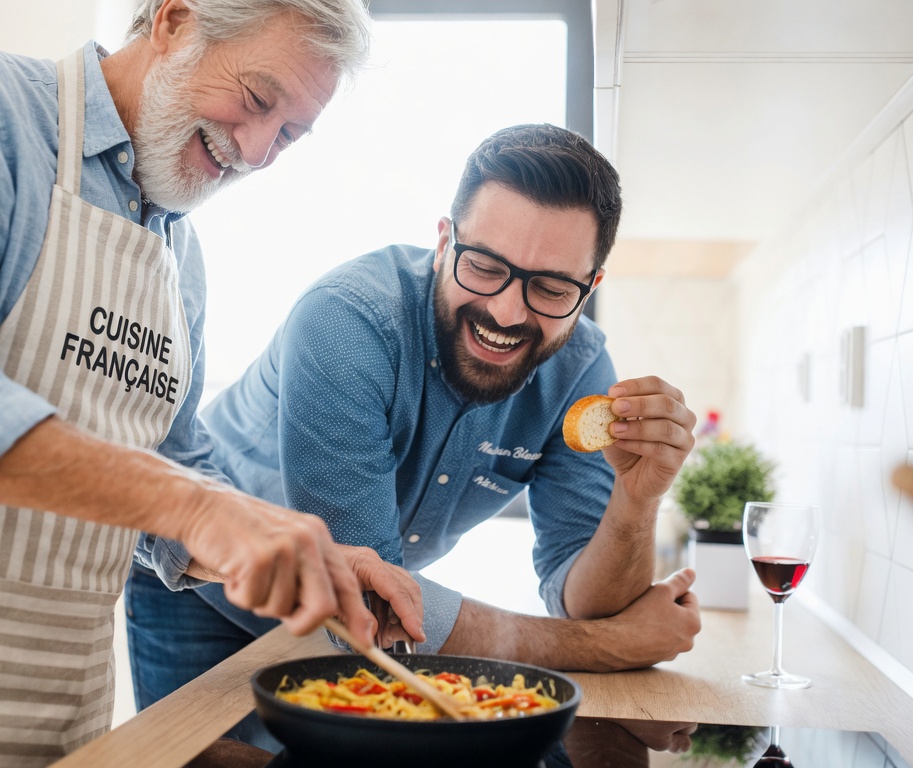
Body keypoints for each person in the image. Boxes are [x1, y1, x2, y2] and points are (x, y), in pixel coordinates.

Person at [0, 0, 425, 764]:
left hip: (52, 692)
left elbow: (171, 477)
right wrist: (198, 508)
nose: (259, 151)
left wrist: (296, 553)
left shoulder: (179, 256)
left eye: (290, 134)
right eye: (258, 100)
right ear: (172, 21)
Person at [126, 124, 704, 721]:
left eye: (552, 287)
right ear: (444, 243)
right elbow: (368, 605)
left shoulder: (581, 371)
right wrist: (608, 648)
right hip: (201, 591)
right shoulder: (347, 321)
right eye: (483, 265)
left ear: (588, 289)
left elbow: (585, 602)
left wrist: (637, 500)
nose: (507, 311)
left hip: (353, 627)